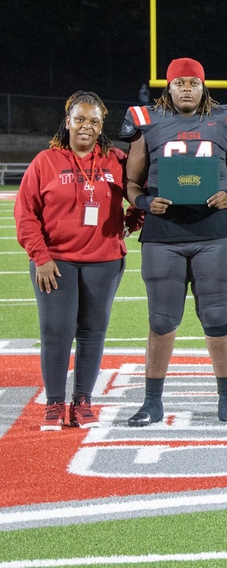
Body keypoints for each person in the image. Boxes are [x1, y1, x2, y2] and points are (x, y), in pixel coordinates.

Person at [121, 57, 227, 427]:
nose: (186, 89)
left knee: (216, 317)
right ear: (169, 87)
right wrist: (146, 202)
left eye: (193, 83)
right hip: (163, 235)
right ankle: (152, 402)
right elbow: (130, 184)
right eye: (179, 83)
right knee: (162, 320)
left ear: (203, 86)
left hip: (213, 233)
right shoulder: (148, 123)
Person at [15, 92, 142, 431]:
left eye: (95, 121)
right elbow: (26, 214)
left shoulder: (117, 159)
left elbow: (141, 190)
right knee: (56, 331)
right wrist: (40, 258)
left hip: (105, 260)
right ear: (68, 120)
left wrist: (134, 219)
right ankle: (55, 402)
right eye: (81, 119)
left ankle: (83, 400)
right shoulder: (46, 161)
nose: (87, 126)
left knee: (92, 332)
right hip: (55, 261)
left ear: (103, 125)